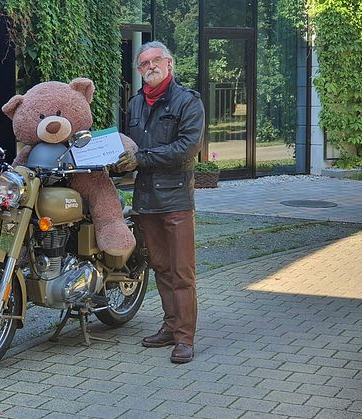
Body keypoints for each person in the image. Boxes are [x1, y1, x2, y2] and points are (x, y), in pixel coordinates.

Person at [110, 41, 205, 363]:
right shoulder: (136, 104)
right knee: (161, 267)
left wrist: (141, 159)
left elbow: (187, 148)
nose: (149, 66)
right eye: (143, 63)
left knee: (181, 272)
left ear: (169, 64)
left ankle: (185, 338)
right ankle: (169, 326)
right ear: (139, 70)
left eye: (155, 61)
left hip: (176, 198)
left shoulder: (187, 101)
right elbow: (128, 146)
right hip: (146, 199)